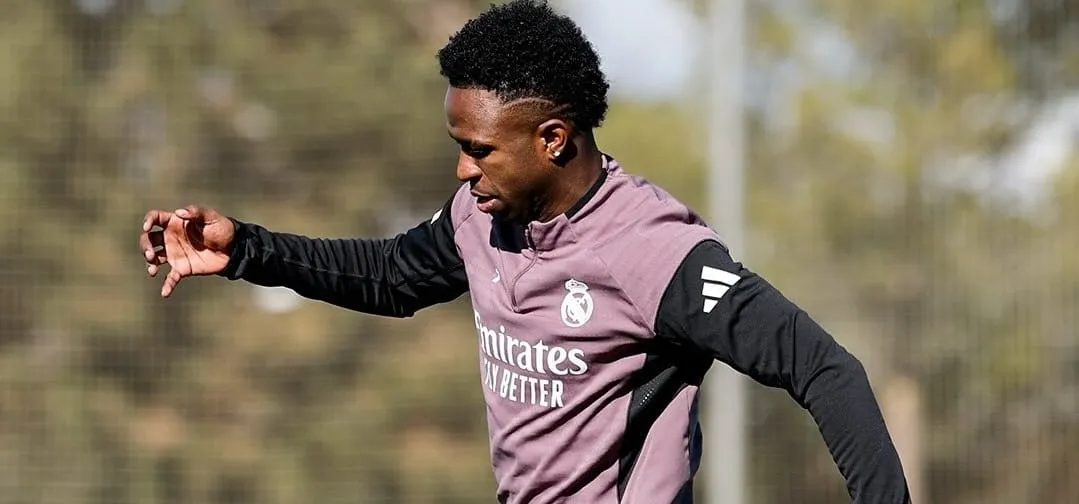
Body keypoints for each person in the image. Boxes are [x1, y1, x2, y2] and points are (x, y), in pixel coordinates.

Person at [139, 1, 911, 502]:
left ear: (551, 139)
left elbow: (823, 369)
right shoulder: (481, 217)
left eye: (477, 149)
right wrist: (246, 250)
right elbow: (389, 277)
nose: (461, 169)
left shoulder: (653, 252)